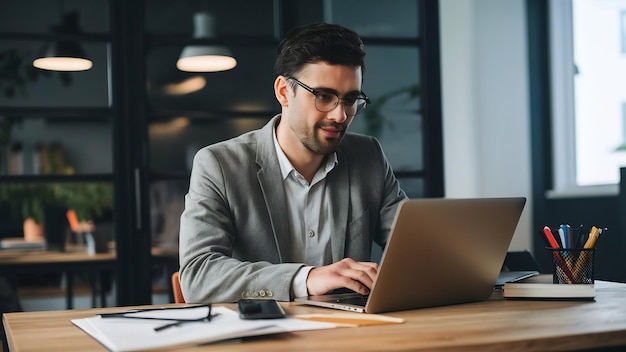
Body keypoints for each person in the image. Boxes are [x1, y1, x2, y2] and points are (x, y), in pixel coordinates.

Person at [179, 22, 407, 303]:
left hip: (351, 335)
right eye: (324, 96)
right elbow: (198, 276)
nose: (340, 115)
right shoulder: (219, 165)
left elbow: (414, 245)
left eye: (350, 100)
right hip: (263, 338)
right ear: (284, 92)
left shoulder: (368, 156)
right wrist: (306, 278)